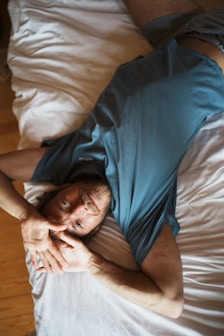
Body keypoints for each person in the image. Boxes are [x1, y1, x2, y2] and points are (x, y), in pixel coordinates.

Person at [0, 0, 224, 318]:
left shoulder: (66, 159)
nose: (80, 206)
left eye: (64, 204)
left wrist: (27, 216)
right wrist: (90, 263)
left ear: (59, 187)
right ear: (95, 230)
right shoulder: (139, 211)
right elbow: (170, 302)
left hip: (174, 36)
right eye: (79, 224)